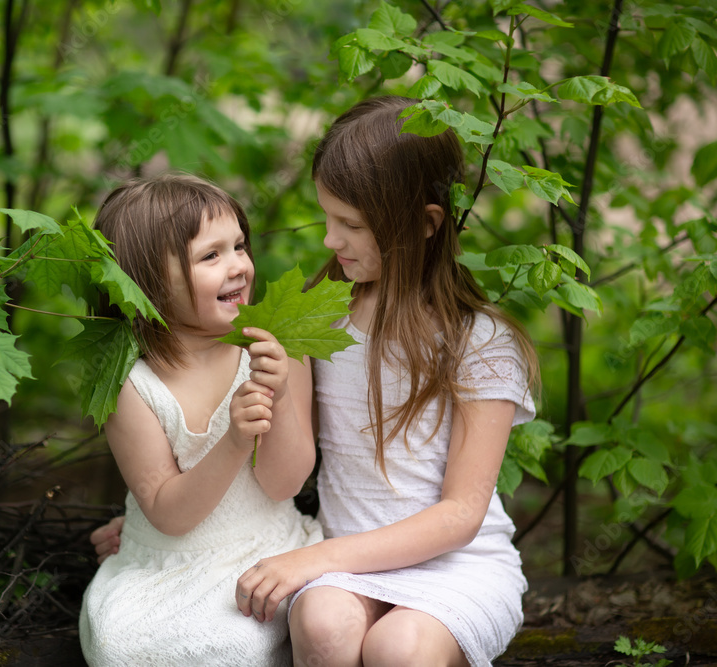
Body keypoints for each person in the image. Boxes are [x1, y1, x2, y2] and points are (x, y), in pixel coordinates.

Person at [94, 97, 540, 667]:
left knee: (398, 650)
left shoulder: (478, 342)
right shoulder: (315, 321)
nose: (330, 240)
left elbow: (460, 515)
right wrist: (150, 528)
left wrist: (312, 560)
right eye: (327, 217)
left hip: (452, 563)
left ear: (425, 224)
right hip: (339, 561)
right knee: (322, 624)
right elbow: (277, 455)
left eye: (351, 225)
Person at [78, 173, 323, 667]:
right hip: (163, 563)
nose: (237, 266)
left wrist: (275, 397)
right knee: (121, 648)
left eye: (238, 246)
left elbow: (286, 483)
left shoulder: (275, 348)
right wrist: (233, 440)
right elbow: (169, 513)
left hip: (262, 552)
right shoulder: (130, 382)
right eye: (210, 256)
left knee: (233, 647)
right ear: (148, 282)